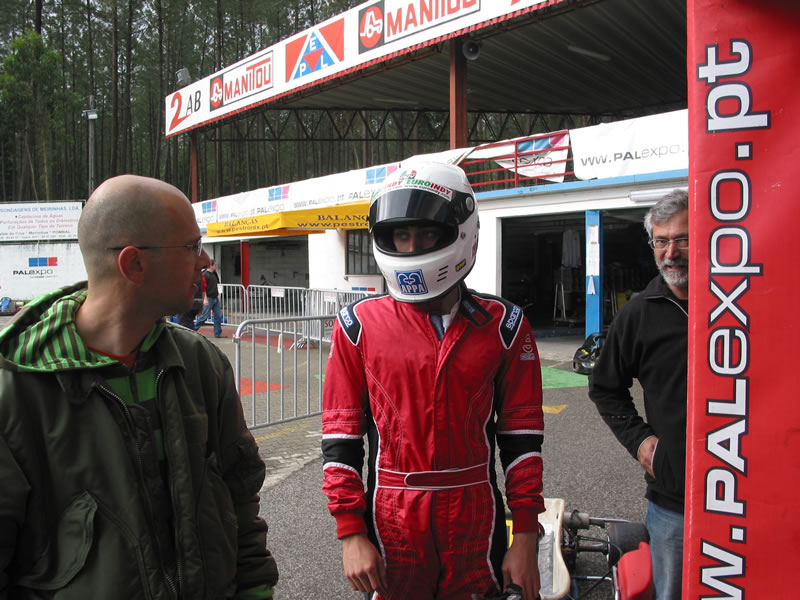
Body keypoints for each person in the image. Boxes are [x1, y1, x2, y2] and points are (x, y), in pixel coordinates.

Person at [0, 175, 279, 598]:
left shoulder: (202, 365)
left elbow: (240, 503)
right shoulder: (15, 391)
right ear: (134, 264)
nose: (204, 261)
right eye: (191, 246)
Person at [321, 162, 544, 600]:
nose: (411, 246)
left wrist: (526, 537)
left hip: (475, 512)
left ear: (461, 232)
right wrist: (351, 532)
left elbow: (522, 440)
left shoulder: (504, 324)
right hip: (392, 513)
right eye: (401, 235)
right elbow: (340, 439)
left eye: (426, 234)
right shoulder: (356, 325)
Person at [588, 189, 689, 600]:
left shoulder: (747, 303)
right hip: (674, 502)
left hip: (749, 493)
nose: (670, 253)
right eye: (660, 242)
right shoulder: (640, 312)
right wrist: (642, 441)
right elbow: (605, 387)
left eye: (682, 239)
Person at [194, 259, 223, 337]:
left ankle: (217, 333)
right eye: (215, 265)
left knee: (218, 316)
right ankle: (193, 329)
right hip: (209, 298)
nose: (216, 266)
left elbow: (216, 286)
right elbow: (204, 288)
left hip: (214, 297)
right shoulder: (205, 275)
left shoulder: (214, 274)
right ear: (211, 265)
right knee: (204, 316)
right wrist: (205, 299)